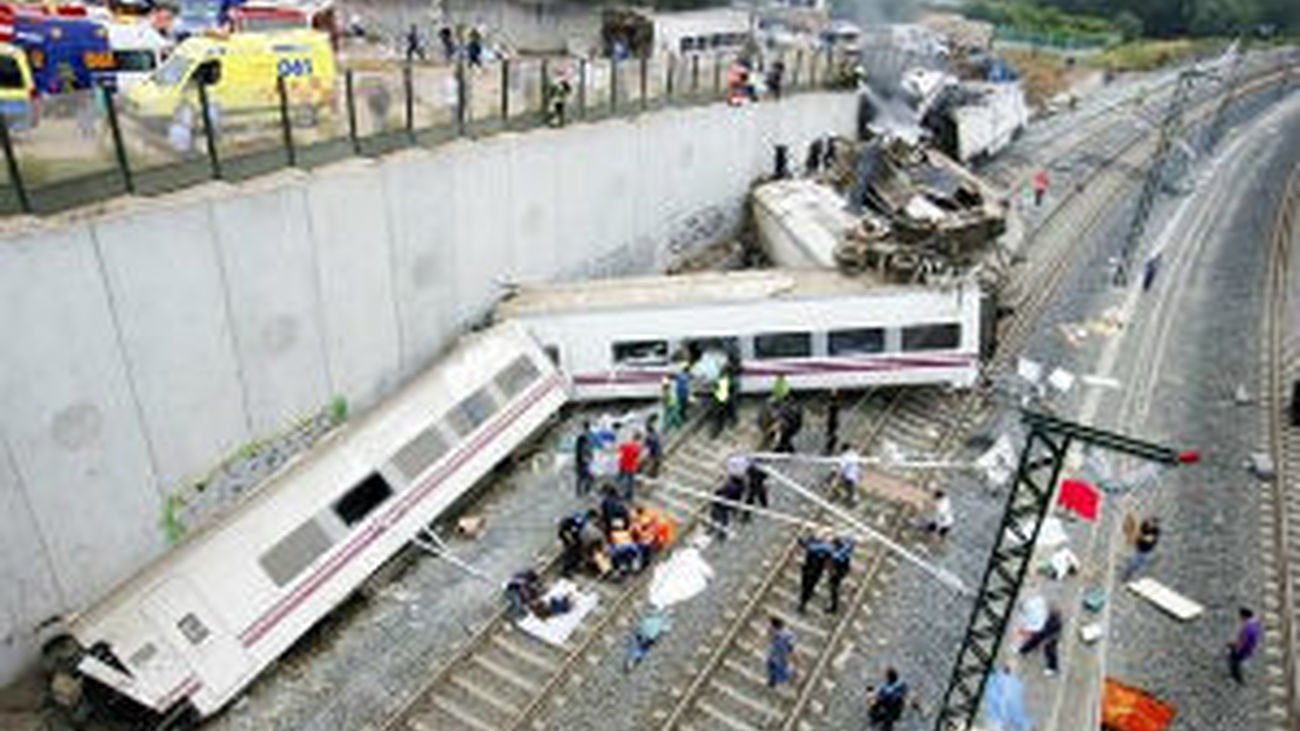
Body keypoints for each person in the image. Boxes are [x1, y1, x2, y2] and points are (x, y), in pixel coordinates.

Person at [1018, 603, 1063, 675]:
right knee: (1034, 641)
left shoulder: (1056, 623)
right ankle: (1023, 650)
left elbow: (1054, 634)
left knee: (1050, 651)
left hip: (1051, 638)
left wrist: (1048, 640)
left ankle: (1053, 668)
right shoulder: (1049, 618)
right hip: (1044, 632)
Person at [798, 534, 833, 613]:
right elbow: (829, 560)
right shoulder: (827, 548)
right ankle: (804, 600)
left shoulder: (813, 544)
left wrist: (801, 541)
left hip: (810, 568)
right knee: (809, 585)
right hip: (815, 570)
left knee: (806, 584)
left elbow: (803, 543)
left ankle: (803, 601)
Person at [1227, 606, 1262, 683]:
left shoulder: (1249, 627)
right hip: (1248, 648)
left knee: (1234, 661)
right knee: (1234, 660)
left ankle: (1237, 678)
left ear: (1244, 616)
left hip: (1243, 649)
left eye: (1240, 616)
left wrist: (1235, 645)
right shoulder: (1254, 624)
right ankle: (1236, 676)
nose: (1240, 618)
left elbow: (1245, 641)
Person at [1122, 516, 1160, 581]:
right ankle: (1126, 576)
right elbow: (1137, 530)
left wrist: (1139, 536)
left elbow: (1149, 539)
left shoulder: (1156, 531)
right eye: (1149, 522)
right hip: (1139, 549)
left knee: (1140, 566)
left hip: (1147, 551)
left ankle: (1134, 578)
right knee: (1133, 564)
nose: (1149, 524)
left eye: (1151, 524)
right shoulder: (1144, 525)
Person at [711, 473, 745, 540]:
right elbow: (738, 497)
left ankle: (718, 530)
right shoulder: (738, 487)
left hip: (721, 503)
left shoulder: (728, 485)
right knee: (724, 518)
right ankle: (721, 532)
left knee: (718, 516)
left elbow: (718, 492)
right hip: (728, 504)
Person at [826, 537, 854, 614]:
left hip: (839, 571)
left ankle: (834, 607)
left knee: (833, 587)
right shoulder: (843, 549)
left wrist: (833, 570)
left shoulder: (839, 553)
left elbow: (836, 560)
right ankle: (833, 605)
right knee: (833, 585)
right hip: (841, 570)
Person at [766, 616, 796, 687]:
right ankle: (773, 679)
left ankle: (791, 675)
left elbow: (791, 639)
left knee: (781, 665)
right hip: (775, 650)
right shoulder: (773, 631)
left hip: (782, 651)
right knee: (771, 663)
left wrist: (790, 647)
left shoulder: (785, 632)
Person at [558, 510, 589, 577]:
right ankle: (566, 570)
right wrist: (570, 541)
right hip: (568, 537)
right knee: (570, 553)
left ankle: (576, 565)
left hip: (575, 537)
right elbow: (564, 533)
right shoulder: (567, 524)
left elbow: (579, 531)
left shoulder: (578, 523)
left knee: (577, 551)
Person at [617, 431, 643, 500]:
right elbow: (637, 458)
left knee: (620, 479)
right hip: (631, 466)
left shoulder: (627, 444)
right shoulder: (637, 447)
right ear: (639, 439)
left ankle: (617, 491)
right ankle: (628, 495)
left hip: (623, 464)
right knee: (630, 482)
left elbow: (620, 449)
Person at [574, 421, 594, 496]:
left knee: (581, 478)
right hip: (583, 462)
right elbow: (586, 451)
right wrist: (589, 457)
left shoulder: (582, 438)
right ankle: (585, 491)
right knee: (588, 477)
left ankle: (580, 491)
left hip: (581, 462)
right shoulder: (584, 438)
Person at [711, 372, 732, 438]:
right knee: (722, 415)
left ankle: (715, 432)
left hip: (718, 400)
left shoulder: (718, 382)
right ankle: (720, 427)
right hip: (724, 400)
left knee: (717, 416)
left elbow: (714, 388)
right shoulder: (727, 381)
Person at [824, 389, 841, 455]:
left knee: (831, 432)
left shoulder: (834, 405)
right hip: (832, 420)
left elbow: (831, 409)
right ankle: (830, 446)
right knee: (831, 432)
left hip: (833, 421)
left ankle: (830, 446)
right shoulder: (834, 405)